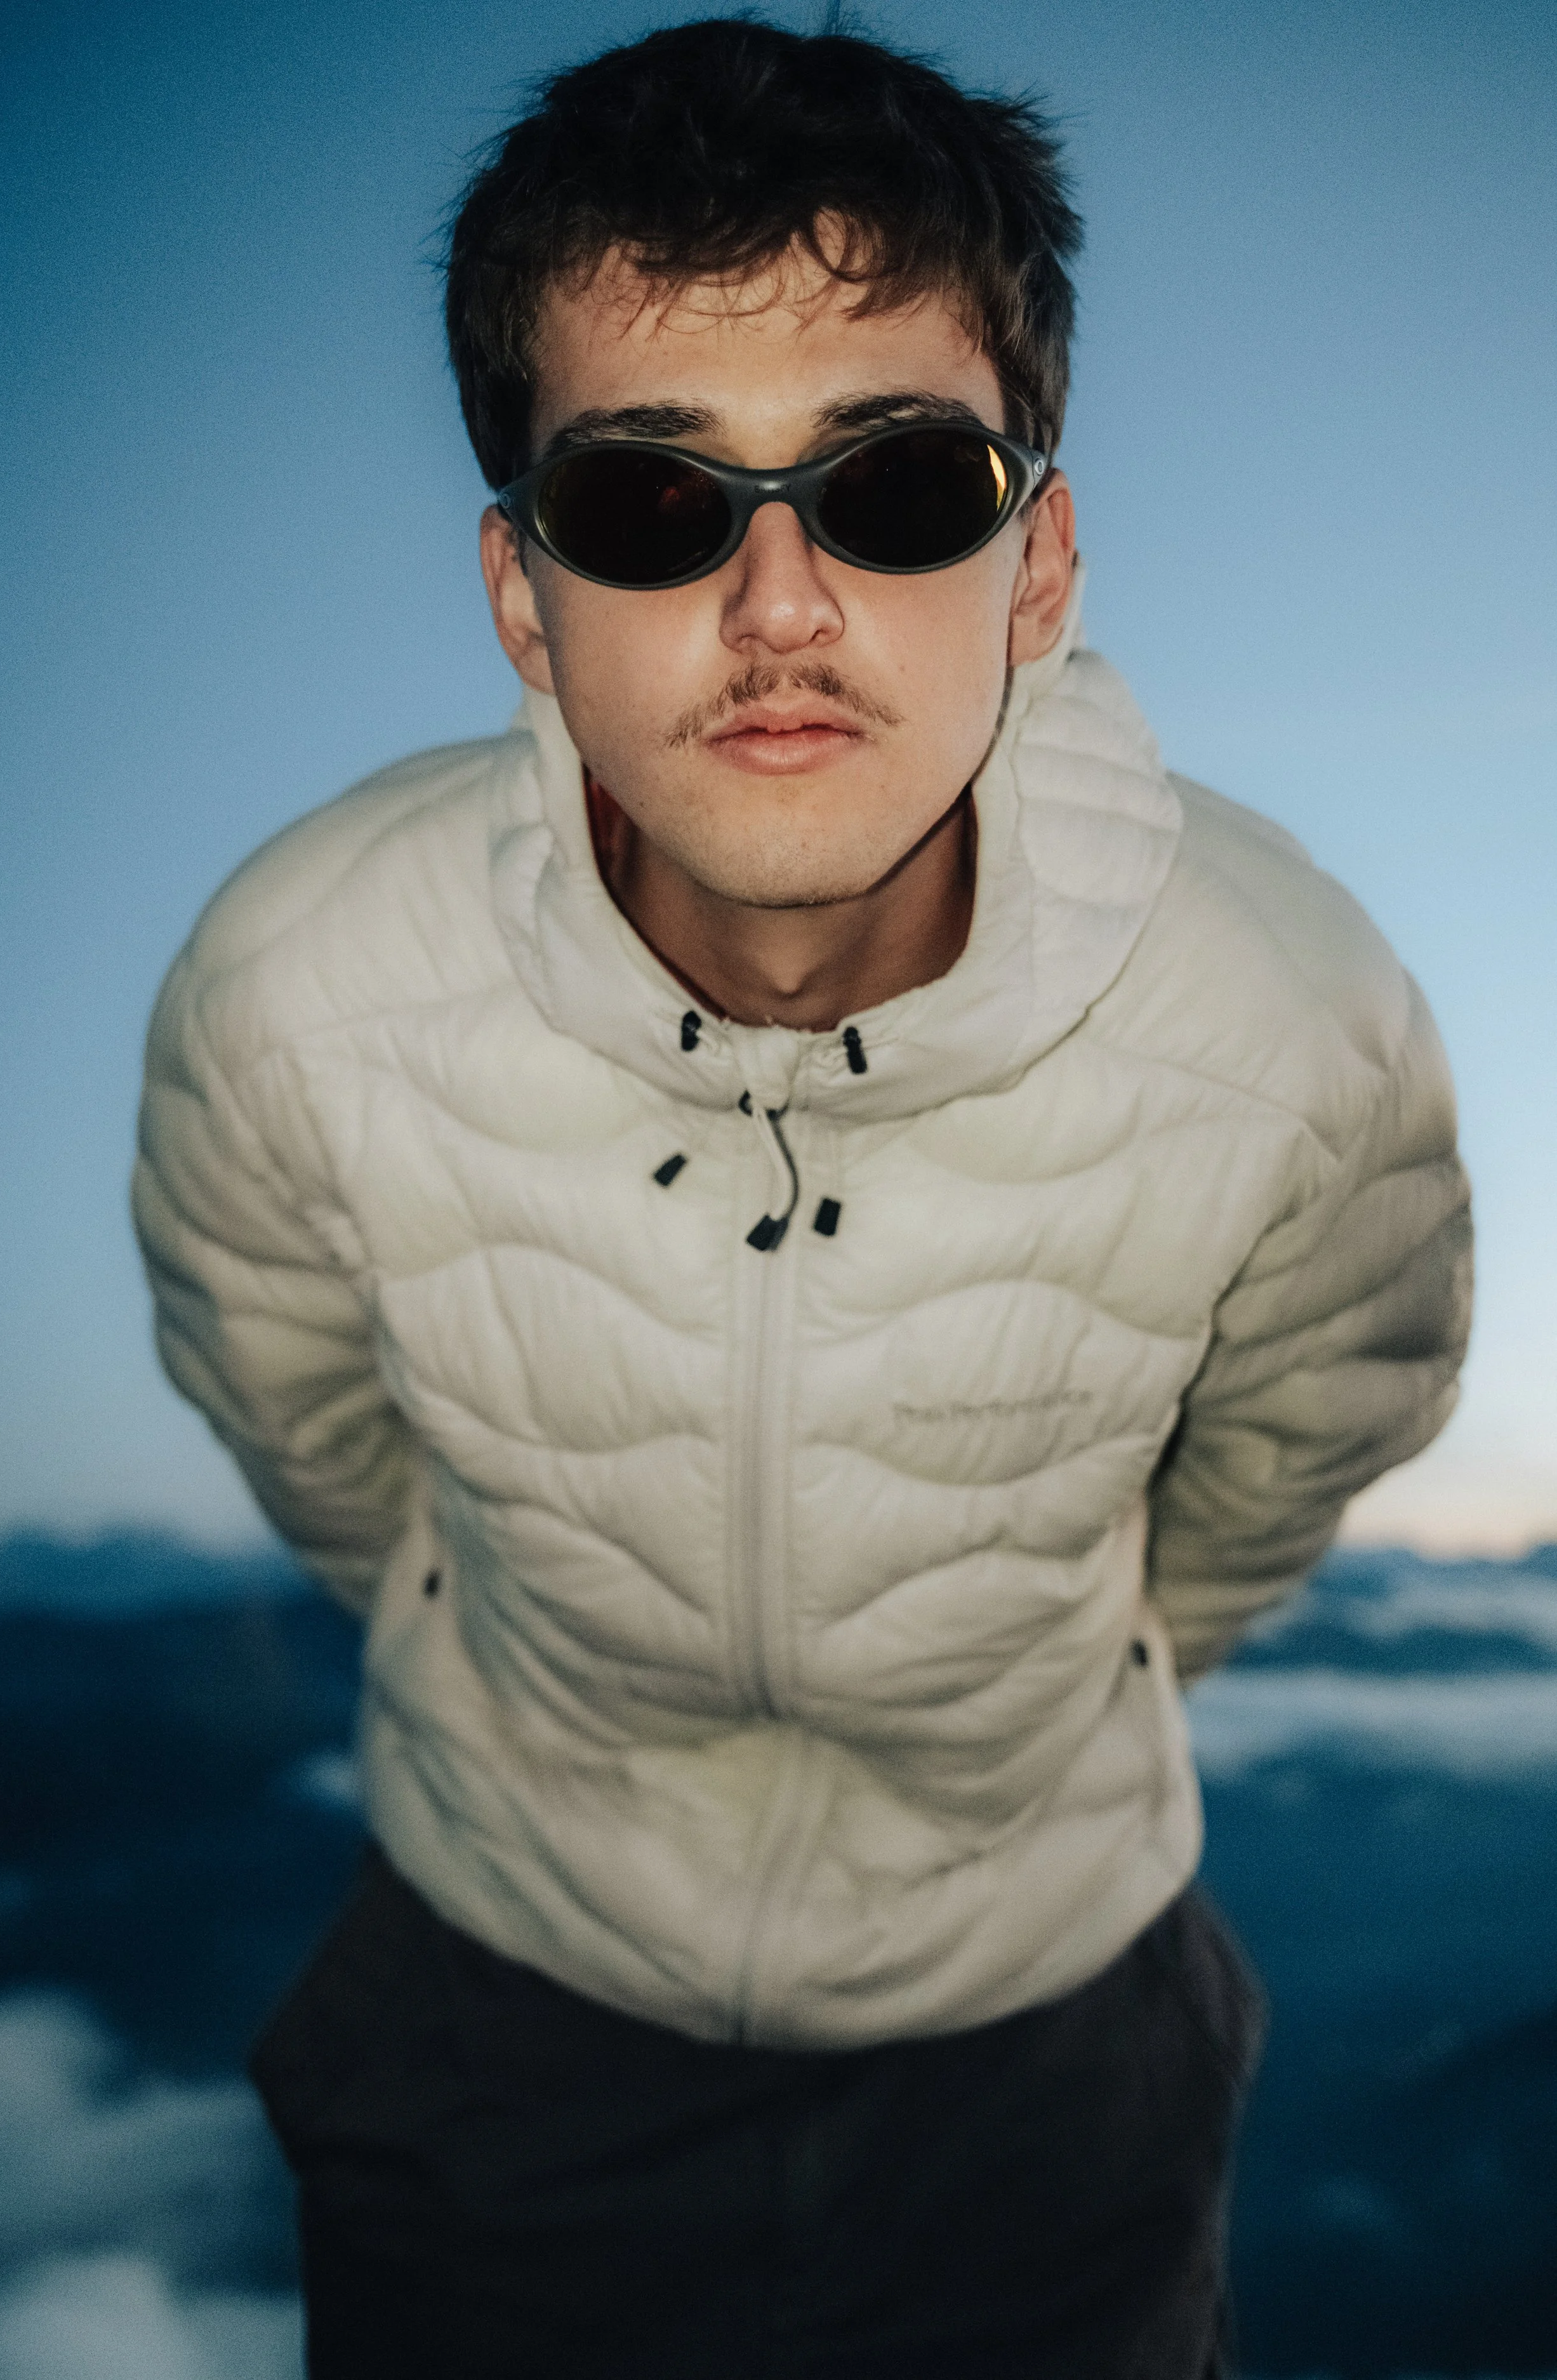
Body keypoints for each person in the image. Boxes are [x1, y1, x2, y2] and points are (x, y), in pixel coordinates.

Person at [131, 19, 1473, 2377]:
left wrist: (1054, 1672)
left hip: (1050, 2042)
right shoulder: (295, 989)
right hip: (495, 2005)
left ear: (1035, 563)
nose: (776, 602)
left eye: (898, 486)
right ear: (523, 596)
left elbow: (1280, 1465)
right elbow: (319, 1435)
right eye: (651, 504)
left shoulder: (1287, 1026)